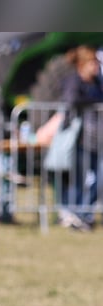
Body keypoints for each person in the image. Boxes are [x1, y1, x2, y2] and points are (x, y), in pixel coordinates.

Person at [55, 45, 103, 231]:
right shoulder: (73, 81)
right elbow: (72, 101)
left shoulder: (97, 82)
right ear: (83, 64)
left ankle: (82, 213)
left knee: (99, 179)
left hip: (98, 138)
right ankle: (72, 213)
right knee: (77, 179)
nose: (96, 67)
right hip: (80, 138)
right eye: (93, 63)